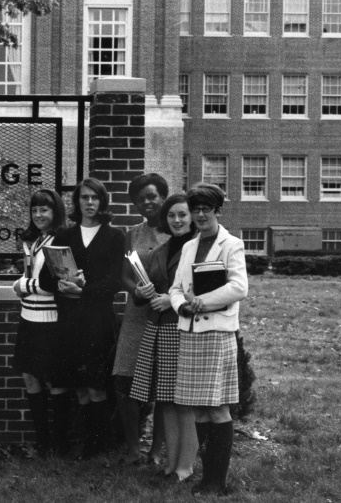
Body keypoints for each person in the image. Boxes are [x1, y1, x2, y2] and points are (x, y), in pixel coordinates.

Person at [168, 183, 248, 495]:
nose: (200, 215)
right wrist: (181, 305)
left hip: (216, 332)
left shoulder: (232, 244)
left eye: (206, 209)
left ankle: (218, 480)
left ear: (217, 211)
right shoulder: (189, 246)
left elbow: (239, 287)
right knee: (197, 409)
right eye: (195, 209)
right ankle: (206, 477)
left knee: (216, 408)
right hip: (191, 333)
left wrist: (203, 301)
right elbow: (176, 288)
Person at [51, 177, 125, 459]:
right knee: (79, 382)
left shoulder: (114, 236)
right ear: (77, 201)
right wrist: (62, 283)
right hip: (71, 319)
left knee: (96, 384)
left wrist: (83, 289)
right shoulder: (65, 236)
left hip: (97, 319)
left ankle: (100, 444)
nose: (90, 203)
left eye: (95, 198)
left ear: (102, 202)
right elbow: (52, 274)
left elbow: (113, 282)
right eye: (84, 198)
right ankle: (84, 442)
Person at [130, 194, 199, 481]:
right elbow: (148, 292)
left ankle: (185, 468)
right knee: (166, 401)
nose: (177, 220)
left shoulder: (200, 250)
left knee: (185, 402)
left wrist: (167, 300)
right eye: (172, 216)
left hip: (185, 330)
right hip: (160, 330)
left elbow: (199, 294)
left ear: (192, 217)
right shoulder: (162, 249)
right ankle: (171, 466)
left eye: (182, 214)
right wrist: (140, 294)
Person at [114, 173, 170, 465]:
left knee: (162, 384)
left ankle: (157, 450)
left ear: (162, 196)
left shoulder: (176, 231)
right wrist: (137, 288)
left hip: (164, 315)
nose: (146, 202)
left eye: (151, 196)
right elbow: (124, 274)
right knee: (125, 380)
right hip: (136, 315)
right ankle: (134, 448)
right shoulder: (132, 233)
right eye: (140, 199)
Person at [11, 189, 68, 456]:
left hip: (51, 321)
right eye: (34, 210)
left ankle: (59, 443)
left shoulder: (62, 241)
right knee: (30, 378)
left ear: (55, 211)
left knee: (54, 381)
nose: (38, 215)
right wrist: (27, 284)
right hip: (28, 317)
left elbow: (62, 285)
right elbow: (33, 279)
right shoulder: (31, 240)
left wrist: (23, 284)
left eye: (44, 210)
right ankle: (43, 442)